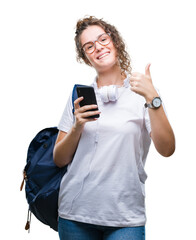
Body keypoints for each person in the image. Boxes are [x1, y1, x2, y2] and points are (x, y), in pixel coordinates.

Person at [53, 16, 175, 240]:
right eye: (89, 46)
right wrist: (77, 127)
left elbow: (167, 149)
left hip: (125, 218)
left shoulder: (144, 93)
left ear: (115, 41)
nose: (98, 47)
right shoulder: (79, 99)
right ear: (85, 57)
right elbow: (59, 159)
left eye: (102, 39)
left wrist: (153, 97)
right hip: (75, 216)